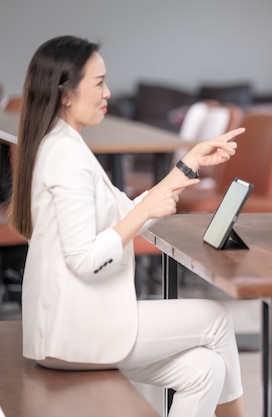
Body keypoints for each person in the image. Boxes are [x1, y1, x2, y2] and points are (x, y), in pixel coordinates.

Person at [9, 35, 247, 417]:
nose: (108, 92)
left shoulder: (63, 145)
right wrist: (144, 210)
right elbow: (84, 257)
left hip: (72, 327)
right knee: (216, 319)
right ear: (66, 94)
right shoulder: (66, 157)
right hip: (76, 332)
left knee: (206, 369)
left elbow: (128, 209)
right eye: (99, 82)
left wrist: (189, 164)